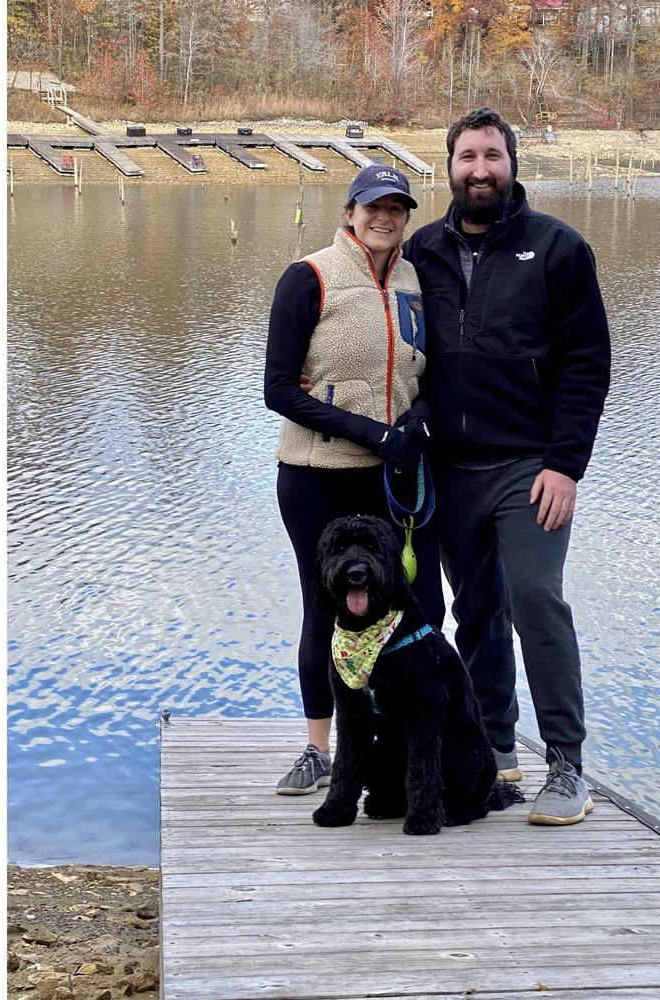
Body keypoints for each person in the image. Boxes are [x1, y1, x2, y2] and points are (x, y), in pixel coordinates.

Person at [403, 108, 611, 826]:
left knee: (535, 601)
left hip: (530, 468)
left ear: (512, 164)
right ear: (450, 166)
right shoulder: (421, 251)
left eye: (493, 156)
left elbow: (588, 365)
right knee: (477, 614)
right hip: (452, 472)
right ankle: (495, 753)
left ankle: (567, 767)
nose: (480, 170)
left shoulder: (558, 249)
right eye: (467, 157)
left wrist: (565, 465)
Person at [264, 164, 444, 795]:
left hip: (395, 479)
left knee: (414, 607)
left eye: (396, 207)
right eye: (372, 206)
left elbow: (427, 378)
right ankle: (319, 749)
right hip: (318, 475)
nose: (384, 217)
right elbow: (279, 389)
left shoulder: (416, 281)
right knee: (326, 609)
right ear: (350, 212)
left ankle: (401, 743)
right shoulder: (309, 277)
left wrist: (414, 426)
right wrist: (371, 432)